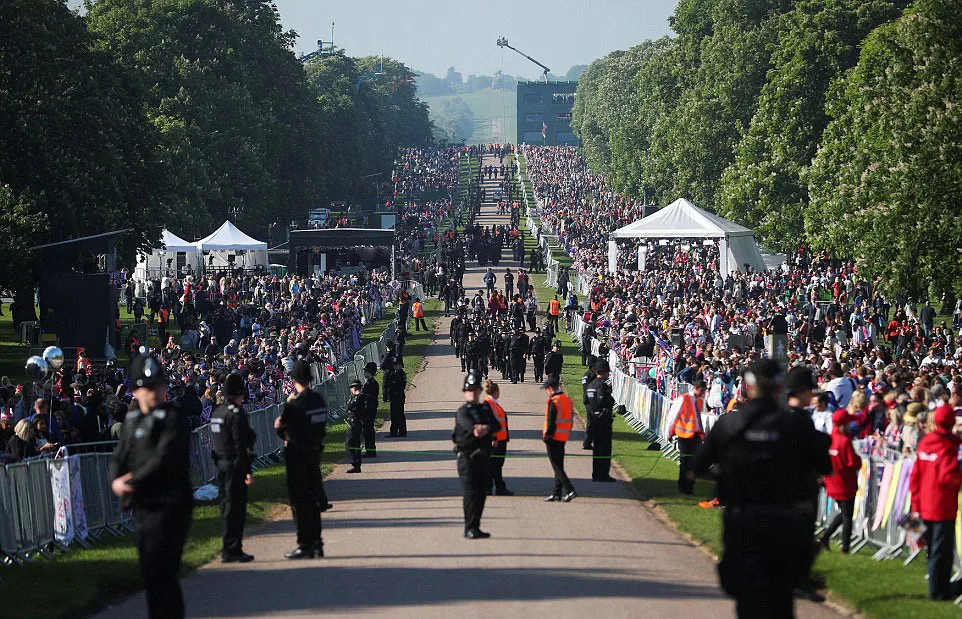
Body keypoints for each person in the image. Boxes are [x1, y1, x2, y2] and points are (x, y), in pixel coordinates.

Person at [691, 359, 831, 619]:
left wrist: (725, 475)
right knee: (779, 598)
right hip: (782, 521)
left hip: (746, 519)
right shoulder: (795, 425)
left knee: (748, 594)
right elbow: (824, 465)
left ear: (749, 385)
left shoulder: (734, 422)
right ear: (780, 387)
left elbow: (696, 468)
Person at [110, 355, 193, 619]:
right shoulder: (132, 421)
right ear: (136, 390)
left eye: (158, 385)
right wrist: (117, 480)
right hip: (143, 507)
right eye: (148, 387)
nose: (155, 392)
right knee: (151, 574)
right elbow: (119, 457)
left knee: (163, 571)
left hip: (171, 504)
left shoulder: (173, 419)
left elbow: (163, 459)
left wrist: (130, 481)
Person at [274, 360, 327, 559]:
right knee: (313, 497)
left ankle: (304, 543)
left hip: (297, 454)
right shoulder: (318, 401)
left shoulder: (295, 404)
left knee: (300, 500)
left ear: (294, 379)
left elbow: (280, 427)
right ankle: (317, 542)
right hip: (314, 452)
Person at [909, 403, 962, 600]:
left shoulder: (926, 442)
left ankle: (939, 588)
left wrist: (915, 502)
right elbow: (947, 476)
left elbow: (915, 475)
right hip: (942, 505)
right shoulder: (947, 446)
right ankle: (938, 592)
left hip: (924, 502)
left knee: (933, 550)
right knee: (942, 551)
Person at [210, 373, 256, 563]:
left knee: (226, 507)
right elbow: (241, 445)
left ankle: (229, 547)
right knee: (236, 509)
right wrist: (247, 471)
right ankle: (232, 549)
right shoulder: (235, 415)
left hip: (221, 464)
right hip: (235, 465)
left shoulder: (217, 414)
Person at [452, 371, 500, 538]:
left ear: (480, 391)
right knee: (470, 493)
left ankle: (476, 526)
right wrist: (484, 428)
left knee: (481, 494)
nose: (472, 392)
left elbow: (496, 426)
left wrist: (486, 428)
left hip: (482, 457)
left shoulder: (485, 409)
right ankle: (469, 527)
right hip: (467, 458)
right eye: (469, 389)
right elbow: (472, 428)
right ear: (465, 392)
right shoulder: (462, 411)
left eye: (475, 389)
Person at [819, 408, 861, 554]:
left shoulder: (829, 439)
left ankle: (825, 537)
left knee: (844, 513)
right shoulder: (845, 441)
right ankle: (845, 548)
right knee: (847, 516)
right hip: (845, 483)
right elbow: (855, 463)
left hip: (832, 482)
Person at [668, 380, 707, 495]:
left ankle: (689, 487)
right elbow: (673, 415)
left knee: (693, 463)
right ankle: (682, 486)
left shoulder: (698, 401)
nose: (703, 393)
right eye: (701, 390)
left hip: (695, 435)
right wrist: (669, 432)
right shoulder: (683, 398)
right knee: (685, 462)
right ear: (695, 387)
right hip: (684, 435)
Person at [542, 376, 577, 502]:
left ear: (551, 389)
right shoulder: (567, 399)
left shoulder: (554, 401)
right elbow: (570, 418)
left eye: (546, 389)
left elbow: (551, 421)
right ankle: (556, 492)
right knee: (559, 464)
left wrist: (547, 437)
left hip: (553, 437)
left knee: (556, 466)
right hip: (563, 436)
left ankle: (570, 489)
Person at [585, 360, 616, 482]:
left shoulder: (591, 385)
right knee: (604, 448)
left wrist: (593, 413)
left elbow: (587, 401)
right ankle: (603, 474)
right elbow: (602, 400)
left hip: (593, 419)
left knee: (597, 448)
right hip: (603, 421)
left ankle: (596, 473)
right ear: (604, 372)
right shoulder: (601, 385)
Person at [484, 379, 513, 496]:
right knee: (493, 465)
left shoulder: (493, 403)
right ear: (495, 392)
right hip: (496, 441)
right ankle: (493, 487)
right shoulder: (489, 405)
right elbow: (489, 423)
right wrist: (493, 438)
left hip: (501, 439)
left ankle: (496, 486)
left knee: (496, 465)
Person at [345, 380, 366, 473]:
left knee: (350, 443)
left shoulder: (358, 398)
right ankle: (357, 464)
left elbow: (350, 407)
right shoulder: (358, 397)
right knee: (356, 443)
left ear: (354, 388)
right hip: (355, 422)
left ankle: (354, 462)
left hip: (355, 423)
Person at [385, 359, 408, 438]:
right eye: (394, 364)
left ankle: (394, 432)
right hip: (397, 396)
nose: (394, 366)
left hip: (396, 396)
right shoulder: (398, 374)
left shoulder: (398, 374)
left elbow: (395, 386)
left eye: (396, 364)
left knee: (395, 415)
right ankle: (402, 432)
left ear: (400, 365)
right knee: (399, 414)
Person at [361, 362, 379, 457]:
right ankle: (369, 449)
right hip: (368, 409)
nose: (365, 373)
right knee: (367, 430)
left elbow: (368, 397)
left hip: (369, 409)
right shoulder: (369, 383)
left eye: (366, 371)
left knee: (368, 431)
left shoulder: (371, 384)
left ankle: (370, 450)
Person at [581, 354, 598, 450]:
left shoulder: (586, 375)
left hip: (587, 399)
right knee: (592, 422)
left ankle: (588, 442)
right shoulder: (591, 375)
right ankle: (587, 442)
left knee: (592, 422)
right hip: (591, 401)